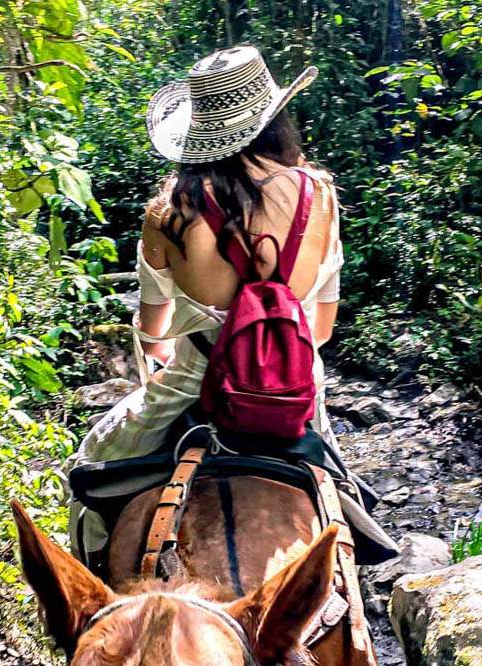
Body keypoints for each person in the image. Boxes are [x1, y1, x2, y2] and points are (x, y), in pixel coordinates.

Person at [70, 45, 347, 560]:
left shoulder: (168, 211)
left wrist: (158, 356)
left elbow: (154, 327)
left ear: (200, 127)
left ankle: (84, 595)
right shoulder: (319, 194)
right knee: (342, 493)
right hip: (294, 394)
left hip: (192, 386)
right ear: (273, 117)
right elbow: (323, 328)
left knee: (90, 465)